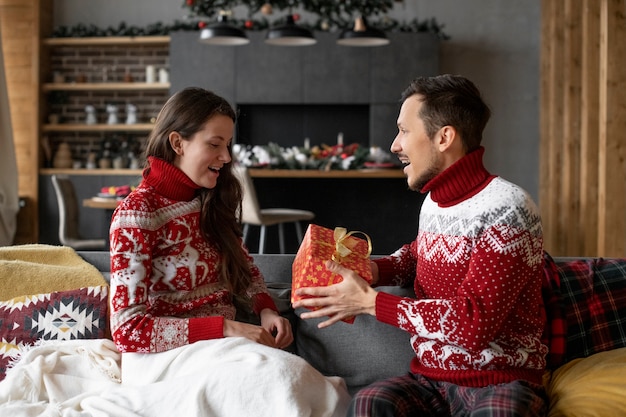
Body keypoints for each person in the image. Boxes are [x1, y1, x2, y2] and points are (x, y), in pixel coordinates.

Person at [293, 74, 548, 416]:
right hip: (430, 381)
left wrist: (371, 304)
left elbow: (474, 323)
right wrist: (373, 270)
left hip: (498, 380)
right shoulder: (434, 203)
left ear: (444, 137)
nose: (395, 145)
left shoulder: (508, 207)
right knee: (370, 403)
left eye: (404, 131)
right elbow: (419, 254)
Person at [108, 87, 350, 416]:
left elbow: (245, 268)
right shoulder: (137, 214)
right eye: (214, 144)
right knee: (280, 377)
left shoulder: (208, 199)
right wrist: (225, 327)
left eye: (227, 145)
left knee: (287, 378)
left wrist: (266, 309)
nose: (226, 158)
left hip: (222, 349)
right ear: (177, 143)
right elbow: (128, 331)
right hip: (164, 360)